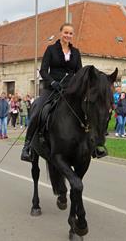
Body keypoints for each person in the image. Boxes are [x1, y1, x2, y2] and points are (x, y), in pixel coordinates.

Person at [21, 23, 84, 162]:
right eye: (65, 32)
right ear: (60, 33)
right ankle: (27, 146)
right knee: (37, 110)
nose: (68, 35)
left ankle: (94, 145)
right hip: (52, 88)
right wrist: (52, 82)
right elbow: (43, 70)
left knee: (86, 110)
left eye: (70, 33)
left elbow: (79, 72)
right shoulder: (51, 50)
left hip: (70, 90)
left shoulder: (76, 52)